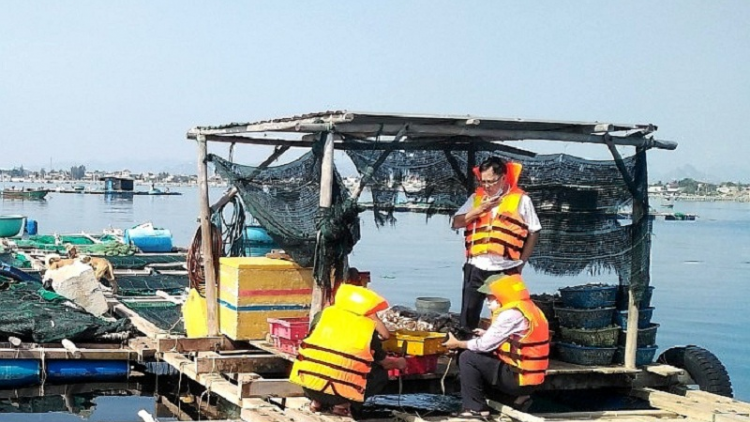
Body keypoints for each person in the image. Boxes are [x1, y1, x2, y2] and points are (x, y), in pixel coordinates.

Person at [289, 284, 406, 418]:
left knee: (324, 363)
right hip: (339, 393)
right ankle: (342, 405)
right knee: (380, 374)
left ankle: (317, 402)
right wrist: (400, 362)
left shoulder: (322, 316)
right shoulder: (366, 328)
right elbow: (385, 360)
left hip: (308, 385)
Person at [452, 156, 542, 330]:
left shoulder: (521, 200)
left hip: (505, 267)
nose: (487, 186)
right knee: (468, 317)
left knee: (506, 315)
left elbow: (534, 231)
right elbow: (456, 222)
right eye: (483, 181)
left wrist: (521, 263)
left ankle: (500, 354)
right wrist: (479, 210)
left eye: (491, 182)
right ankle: (465, 353)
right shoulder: (476, 198)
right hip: (476, 266)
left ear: (502, 178)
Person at [443, 274, 550, 418]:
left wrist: (458, 343)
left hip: (517, 379)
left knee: (467, 357)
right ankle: (515, 399)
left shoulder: (510, 314)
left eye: (490, 298)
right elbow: (516, 339)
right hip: (531, 379)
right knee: (475, 353)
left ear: (501, 296)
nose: (487, 302)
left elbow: (483, 346)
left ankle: (475, 409)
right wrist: (486, 333)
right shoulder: (528, 308)